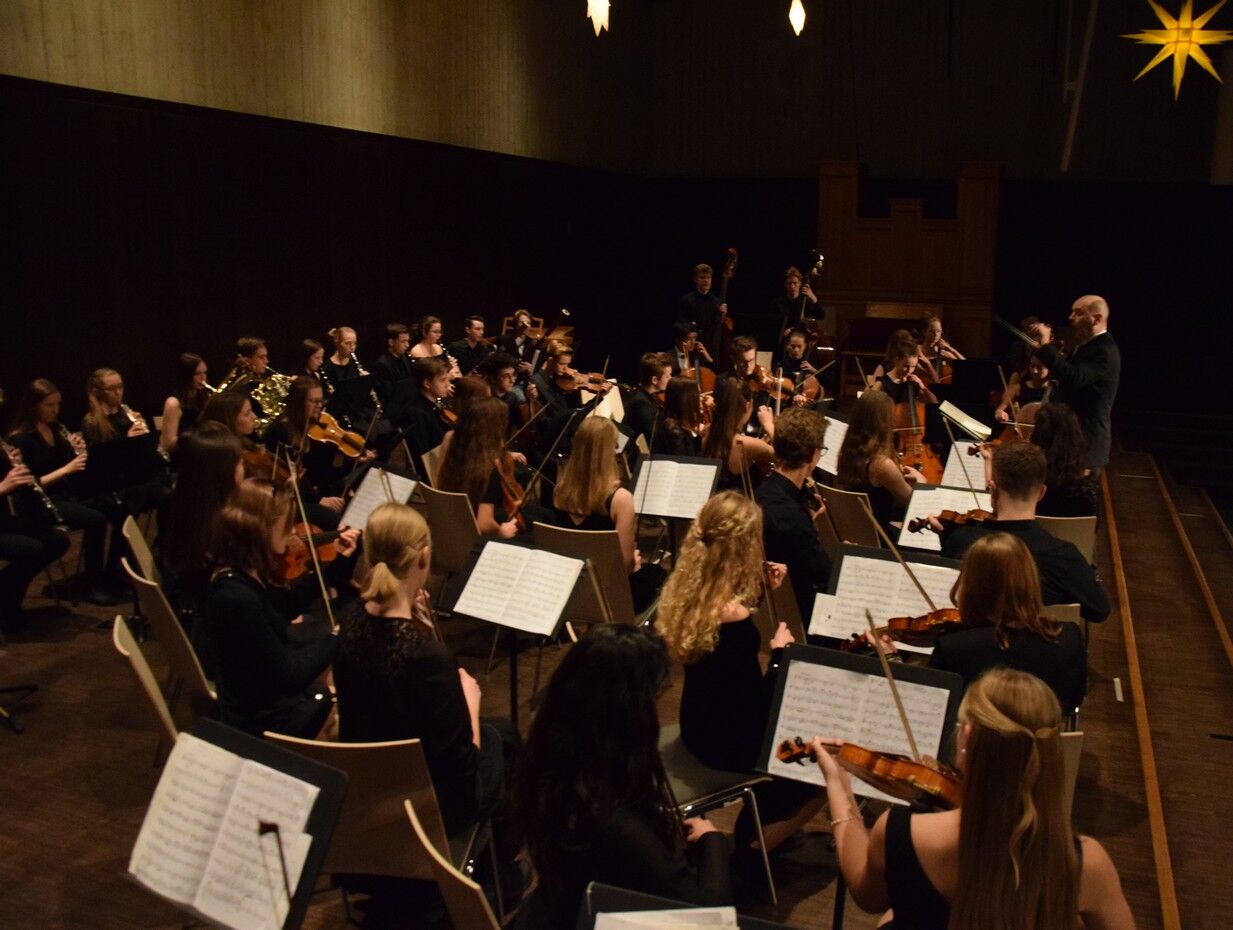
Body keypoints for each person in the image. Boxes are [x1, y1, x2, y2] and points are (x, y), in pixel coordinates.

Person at [812, 667, 1134, 930]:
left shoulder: (902, 832)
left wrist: (839, 787)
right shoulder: (1086, 863)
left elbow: (867, 895)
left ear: (967, 738)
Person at [513, 626, 733, 929]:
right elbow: (705, 917)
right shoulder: (619, 826)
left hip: (558, 906)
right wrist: (713, 841)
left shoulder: (544, 763)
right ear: (631, 712)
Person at [333, 502, 517, 838]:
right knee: (499, 738)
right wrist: (471, 701)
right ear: (423, 557)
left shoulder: (350, 620)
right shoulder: (427, 657)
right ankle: (496, 857)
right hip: (426, 804)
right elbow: (463, 765)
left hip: (370, 786)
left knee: (500, 732)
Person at [657, 492, 825, 853]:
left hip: (696, 726)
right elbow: (756, 708)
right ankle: (754, 845)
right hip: (730, 747)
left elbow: (724, 666)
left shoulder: (689, 591)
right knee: (826, 757)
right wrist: (779, 655)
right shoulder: (735, 619)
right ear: (743, 548)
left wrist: (759, 588)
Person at [200, 478, 359, 738]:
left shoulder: (244, 572)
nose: (293, 532)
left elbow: (286, 605)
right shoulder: (237, 598)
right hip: (264, 723)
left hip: (266, 698)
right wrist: (338, 635)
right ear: (265, 529)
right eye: (287, 524)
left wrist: (339, 561)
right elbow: (290, 678)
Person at [931, 442, 1110, 623]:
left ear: (992, 490)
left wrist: (945, 536)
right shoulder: (1064, 556)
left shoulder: (960, 541)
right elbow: (1099, 611)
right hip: (1037, 640)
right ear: (1041, 492)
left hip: (974, 638)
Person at [928, 533, 1087, 712]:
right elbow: (1074, 701)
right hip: (1043, 730)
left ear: (971, 585)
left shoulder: (953, 648)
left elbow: (935, 709)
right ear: (1030, 579)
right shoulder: (1070, 638)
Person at [8, 379, 119, 605]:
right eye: (49, 405)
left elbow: (71, 465)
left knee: (115, 506)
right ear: (34, 406)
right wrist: (67, 468)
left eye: (58, 404)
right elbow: (29, 485)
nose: (55, 410)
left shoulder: (56, 429)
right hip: (38, 503)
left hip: (65, 496)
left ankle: (111, 574)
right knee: (96, 520)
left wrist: (77, 450)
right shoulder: (21, 439)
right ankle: (92, 584)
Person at [551, 417, 667, 611]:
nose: (617, 451)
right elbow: (625, 566)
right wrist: (634, 561)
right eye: (614, 446)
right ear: (606, 453)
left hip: (573, 590)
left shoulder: (559, 491)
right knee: (658, 575)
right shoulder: (620, 499)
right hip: (614, 596)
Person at [160, 423, 245, 630]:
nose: (244, 469)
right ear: (223, 472)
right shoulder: (222, 526)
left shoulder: (187, 503)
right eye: (240, 463)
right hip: (223, 620)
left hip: (201, 607)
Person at [754, 407, 832, 620]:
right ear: (812, 455)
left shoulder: (760, 492)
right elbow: (824, 575)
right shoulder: (794, 518)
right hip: (798, 613)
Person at [1029, 295, 1121, 471]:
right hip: (1071, 441)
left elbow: (1073, 377)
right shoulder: (1087, 346)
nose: (1070, 317)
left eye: (1078, 313)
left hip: (1085, 445)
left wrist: (1046, 345)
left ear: (1097, 319)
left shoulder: (1104, 351)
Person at [835, 389, 923, 532]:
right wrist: (921, 481)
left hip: (857, 531)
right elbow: (915, 504)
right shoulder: (882, 465)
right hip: (879, 536)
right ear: (883, 422)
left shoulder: (848, 452)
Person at [437, 397, 524, 538]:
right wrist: (502, 532)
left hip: (458, 523)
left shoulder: (456, 453)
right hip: (483, 537)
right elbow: (484, 524)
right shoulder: (488, 469)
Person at [701, 378, 774, 491]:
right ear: (747, 406)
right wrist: (769, 426)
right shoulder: (745, 444)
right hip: (741, 501)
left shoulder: (708, 434)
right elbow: (787, 457)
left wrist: (762, 442)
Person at [1031, 403, 1100, 518]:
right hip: (1075, 530)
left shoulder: (1030, 476)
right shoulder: (1087, 482)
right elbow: (1093, 523)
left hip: (1034, 529)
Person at [396, 356, 454, 478]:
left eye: (448, 380)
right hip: (435, 470)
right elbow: (425, 454)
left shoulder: (435, 403)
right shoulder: (415, 413)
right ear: (427, 383)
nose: (448, 385)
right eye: (443, 380)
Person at [158, 353, 212, 457]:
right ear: (186, 375)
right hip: (182, 459)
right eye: (197, 374)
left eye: (204, 373)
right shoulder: (173, 403)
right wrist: (196, 435)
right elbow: (167, 445)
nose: (203, 378)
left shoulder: (205, 398)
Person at [868, 330, 939, 405]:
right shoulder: (882, 383)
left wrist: (922, 387)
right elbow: (869, 405)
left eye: (913, 367)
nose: (909, 370)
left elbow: (934, 402)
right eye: (906, 366)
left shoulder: (912, 383)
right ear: (897, 359)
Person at [624, 352, 672, 452]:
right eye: (667, 376)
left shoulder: (642, 394)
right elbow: (657, 441)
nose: (671, 379)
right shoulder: (642, 404)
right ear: (655, 380)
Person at [653, 376, 707, 457]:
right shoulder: (674, 433)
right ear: (687, 400)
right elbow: (688, 460)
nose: (701, 399)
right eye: (697, 395)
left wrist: (699, 434)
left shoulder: (673, 420)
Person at [995, 352, 1052, 424]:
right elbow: (999, 410)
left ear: (1049, 368)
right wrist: (1000, 414)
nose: (1035, 371)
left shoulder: (1054, 389)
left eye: (1040, 367)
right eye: (1032, 366)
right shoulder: (1018, 388)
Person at [676, 262, 727, 341]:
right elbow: (680, 322)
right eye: (702, 277)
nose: (706, 280)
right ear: (695, 279)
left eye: (708, 277)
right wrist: (689, 329)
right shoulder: (687, 299)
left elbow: (717, 324)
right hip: (692, 340)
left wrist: (723, 315)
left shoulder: (716, 301)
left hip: (710, 340)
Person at [409, 314, 462, 379]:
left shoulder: (438, 348)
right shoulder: (416, 351)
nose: (439, 335)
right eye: (435, 332)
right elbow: (426, 377)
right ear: (424, 332)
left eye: (440, 331)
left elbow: (442, 370)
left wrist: (450, 366)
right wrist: (448, 376)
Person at [371, 322, 414, 401]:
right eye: (403, 341)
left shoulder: (405, 357)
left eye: (408, 341)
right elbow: (389, 393)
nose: (407, 345)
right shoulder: (382, 364)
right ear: (391, 342)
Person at [769, 265, 819, 332]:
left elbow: (821, 315)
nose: (792, 286)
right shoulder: (777, 303)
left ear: (800, 283)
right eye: (789, 283)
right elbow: (773, 324)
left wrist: (813, 298)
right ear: (785, 285)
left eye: (795, 283)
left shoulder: (806, 302)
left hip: (802, 336)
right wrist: (783, 330)